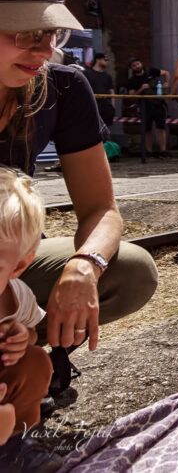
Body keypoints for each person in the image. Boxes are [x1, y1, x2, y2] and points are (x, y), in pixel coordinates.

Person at [0, 0, 158, 411]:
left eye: (51, 33)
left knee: (129, 271)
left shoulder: (63, 88)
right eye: (26, 32)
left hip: (6, 265)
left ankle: (20, 357)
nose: (45, 49)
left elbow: (101, 209)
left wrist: (83, 266)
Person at [0, 169, 60, 470]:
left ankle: (17, 446)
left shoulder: (17, 296)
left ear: (18, 266)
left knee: (35, 360)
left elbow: (34, 335)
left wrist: (22, 335)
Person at [126, 59, 170, 158]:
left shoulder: (151, 71)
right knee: (147, 129)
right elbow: (131, 97)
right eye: (134, 65)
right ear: (131, 68)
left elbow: (166, 73)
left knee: (161, 127)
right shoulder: (131, 81)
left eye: (138, 63)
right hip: (145, 106)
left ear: (141, 63)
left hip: (158, 104)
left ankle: (163, 151)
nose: (137, 66)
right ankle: (149, 151)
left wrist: (167, 83)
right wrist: (141, 89)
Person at [82, 52, 114, 129]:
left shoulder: (108, 76)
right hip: (91, 107)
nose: (107, 62)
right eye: (105, 59)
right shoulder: (86, 73)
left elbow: (111, 91)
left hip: (105, 109)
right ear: (98, 60)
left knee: (105, 131)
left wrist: (112, 107)